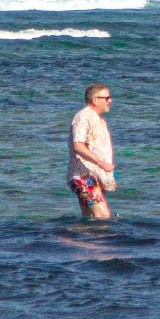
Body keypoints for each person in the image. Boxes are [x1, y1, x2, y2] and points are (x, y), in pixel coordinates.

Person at [67, 83, 117, 219]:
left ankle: (77, 240)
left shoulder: (98, 119)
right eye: (106, 98)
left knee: (90, 217)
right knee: (102, 216)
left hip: (93, 176)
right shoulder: (84, 117)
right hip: (83, 176)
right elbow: (78, 146)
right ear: (95, 100)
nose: (110, 101)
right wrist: (101, 164)